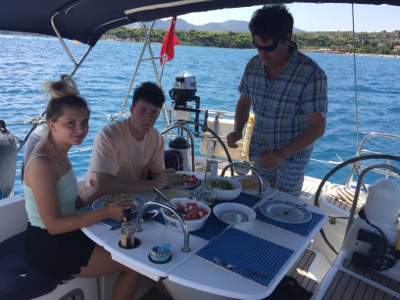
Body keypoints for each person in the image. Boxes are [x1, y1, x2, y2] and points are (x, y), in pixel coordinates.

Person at [23, 75, 141, 300]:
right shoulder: (43, 163)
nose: (81, 130)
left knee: (134, 246)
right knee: (134, 266)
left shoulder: (60, 150)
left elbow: (73, 204)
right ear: (51, 124)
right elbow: (54, 225)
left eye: (85, 122)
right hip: (49, 245)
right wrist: (105, 212)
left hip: (68, 232)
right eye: (71, 123)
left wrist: (100, 191)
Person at [227, 5, 328, 197]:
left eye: (270, 47)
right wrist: (238, 130)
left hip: (292, 157)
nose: (262, 54)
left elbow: (318, 127)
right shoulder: (253, 65)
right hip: (261, 150)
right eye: (258, 47)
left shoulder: (311, 74)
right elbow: (244, 102)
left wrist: (282, 154)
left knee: (284, 205)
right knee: (256, 196)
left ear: (287, 38)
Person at [84, 81, 176, 194]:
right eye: (143, 110)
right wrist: (153, 184)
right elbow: (104, 184)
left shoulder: (156, 138)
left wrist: (169, 178)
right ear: (132, 110)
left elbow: (158, 176)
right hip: (99, 200)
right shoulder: (109, 135)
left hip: (133, 197)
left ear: (158, 114)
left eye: (153, 112)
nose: (148, 117)